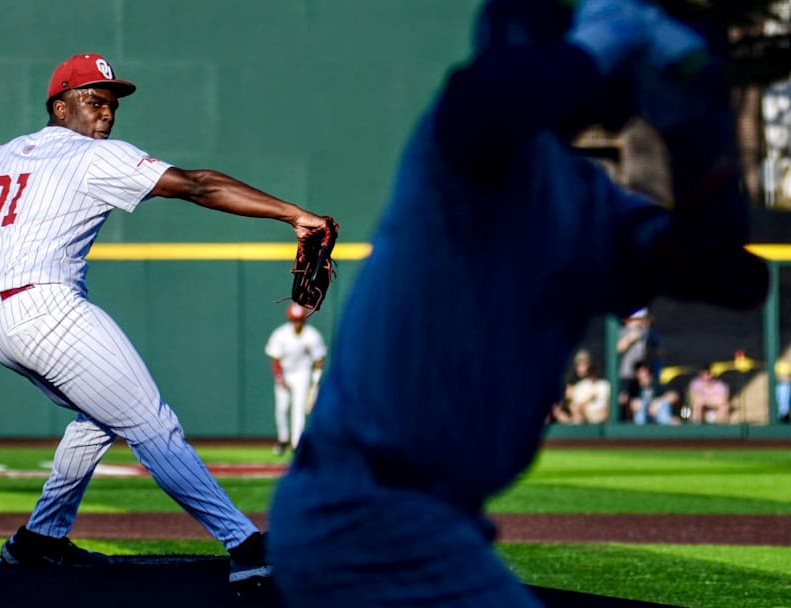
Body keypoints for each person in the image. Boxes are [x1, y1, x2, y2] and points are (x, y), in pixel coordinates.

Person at [267, 1, 769, 605]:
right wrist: (613, 37)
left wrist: (696, 134)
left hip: (424, 517)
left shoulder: (587, 199)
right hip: (365, 510)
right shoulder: (458, 155)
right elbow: (486, 104)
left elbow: (731, 277)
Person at [0, 52, 329, 587]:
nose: (106, 114)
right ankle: (249, 548)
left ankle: (39, 540)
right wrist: (293, 214)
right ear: (60, 107)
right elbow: (198, 185)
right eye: (93, 101)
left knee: (101, 416)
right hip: (48, 309)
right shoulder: (90, 158)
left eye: (111, 104)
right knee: (153, 425)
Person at [265, 302, 328, 455]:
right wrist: (280, 378)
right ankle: (283, 439)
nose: (298, 323)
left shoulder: (312, 335)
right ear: (290, 319)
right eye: (295, 319)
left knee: (299, 409)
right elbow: (275, 358)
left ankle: (297, 443)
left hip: (302, 372)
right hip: (285, 372)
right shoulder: (281, 334)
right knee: (281, 408)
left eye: (300, 319)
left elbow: (319, 359)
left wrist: (315, 381)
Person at [616, 307, 662, 414]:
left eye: (644, 319)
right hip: (627, 374)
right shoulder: (624, 331)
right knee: (625, 399)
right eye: (640, 319)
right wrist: (631, 338)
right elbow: (618, 348)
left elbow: (659, 351)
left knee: (642, 401)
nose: (642, 322)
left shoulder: (649, 333)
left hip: (643, 375)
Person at [559, 349, 611, 424]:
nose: (582, 368)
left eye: (584, 364)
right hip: (580, 416)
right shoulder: (573, 381)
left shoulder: (602, 384)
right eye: (579, 365)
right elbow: (572, 403)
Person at [627, 361, 680, 425]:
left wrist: (658, 402)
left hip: (658, 414)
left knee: (663, 407)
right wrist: (633, 404)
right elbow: (630, 402)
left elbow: (674, 396)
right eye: (639, 373)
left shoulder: (657, 383)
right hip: (644, 417)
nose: (641, 376)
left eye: (644, 372)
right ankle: (641, 433)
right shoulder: (634, 387)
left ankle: (666, 429)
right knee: (639, 412)